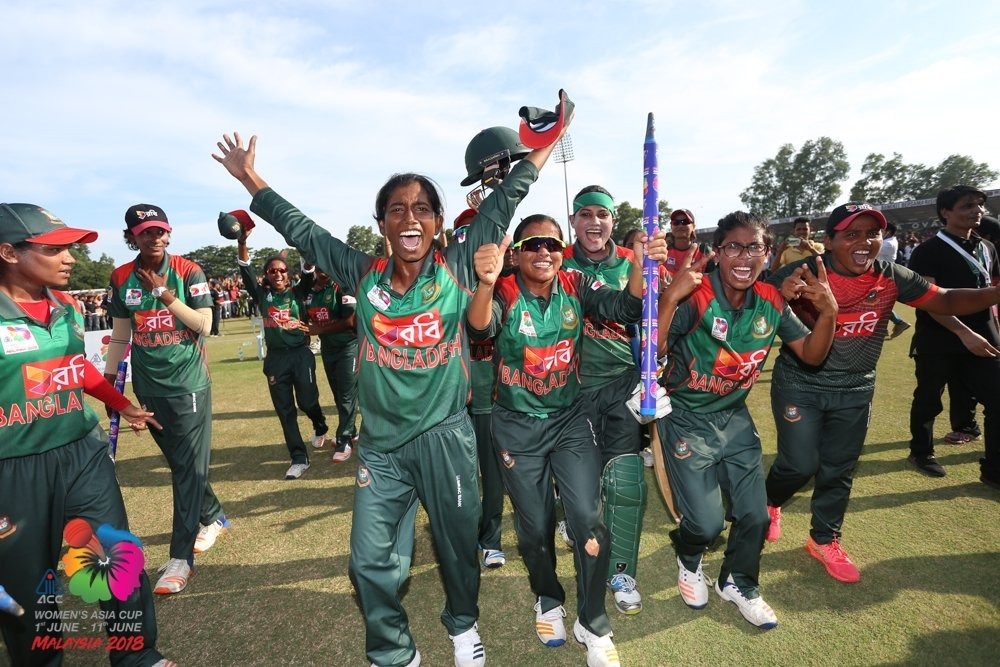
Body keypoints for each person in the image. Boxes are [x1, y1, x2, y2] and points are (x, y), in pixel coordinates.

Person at [213, 120, 568, 667]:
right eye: (397, 209)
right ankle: (393, 651)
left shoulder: (455, 264)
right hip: (380, 449)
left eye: (423, 208)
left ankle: (463, 625)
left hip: (445, 438)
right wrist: (250, 179)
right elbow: (302, 230)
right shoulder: (360, 272)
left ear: (438, 222)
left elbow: (507, 196)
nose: (410, 217)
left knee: (457, 549)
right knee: (369, 564)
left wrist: (544, 145)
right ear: (381, 223)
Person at [764, 201, 1000, 585]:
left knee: (840, 467)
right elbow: (752, 310)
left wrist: (993, 294)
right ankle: (770, 502)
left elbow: (943, 300)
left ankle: (824, 538)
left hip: (856, 386)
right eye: (852, 234)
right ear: (829, 240)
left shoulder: (890, 274)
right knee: (799, 464)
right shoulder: (800, 273)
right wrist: (781, 298)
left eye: (872, 233)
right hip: (800, 384)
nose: (864, 242)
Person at [468, 213, 666, 666]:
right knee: (535, 527)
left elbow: (626, 308)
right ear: (516, 254)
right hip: (517, 425)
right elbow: (480, 329)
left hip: (570, 420)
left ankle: (592, 621)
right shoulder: (503, 289)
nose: (544, 253)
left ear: (563, 251)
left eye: (552, 245)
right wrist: (484, 282)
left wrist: (639, 263)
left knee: (587, 518)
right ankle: (548, 597)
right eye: (533, 245)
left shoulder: (576, 283)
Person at [0, 202, 171, 666]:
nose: (70, 257)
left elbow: (77, 371)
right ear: (8, 253)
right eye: (54, 248)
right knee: (29, 585)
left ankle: (136, 655)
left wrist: (123, 405)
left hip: (82, 453)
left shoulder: (68, 305)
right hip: (12, 469)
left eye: (71, 247)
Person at [657, 211, 837, 630]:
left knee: (755, 515)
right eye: (733, 246)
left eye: (753, 246)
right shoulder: (695, 296)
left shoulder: (772, 301)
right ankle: (688, 556)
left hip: (734, 418)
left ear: (767, 252)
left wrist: (828, 313)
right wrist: (668, 300)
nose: (743, 255)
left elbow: (811, 355)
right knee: (704, 524)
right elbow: (652, 352)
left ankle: (738, 582)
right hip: (686, 417)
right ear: (717, 253)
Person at [106, 204, 230, 596]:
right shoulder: (121, 277)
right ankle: (214, 516)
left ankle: (180, 559)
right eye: (145, 232)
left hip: (189, 382)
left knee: (186, 468)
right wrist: (111, 385)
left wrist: (163, 294)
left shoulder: (188, 270)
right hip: (148, 384)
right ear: (132, 236)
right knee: (182, 464)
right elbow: (122, 336)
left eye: (159, 230)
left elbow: (204, 325)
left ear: (169, 233)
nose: (154, 237)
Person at [561, 185, 649, 615]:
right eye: (585, 215)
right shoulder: (555, 262)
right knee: (585, 489)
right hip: (572, 391)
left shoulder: (635, 262)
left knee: (626, 482)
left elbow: (650, 319)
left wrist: (653, 379)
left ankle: (621, 571)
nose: (594, 222)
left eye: (603, 214)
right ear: (573, 220)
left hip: (620, 385)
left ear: (614, 220)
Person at [906, 186, 1000, 487]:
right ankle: (921, 452)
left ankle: (994, 470)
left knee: (997, 399)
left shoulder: (988, 248)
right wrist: (964, 333)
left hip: (985, 335)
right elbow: (928, 301)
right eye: (967, 205)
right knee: (929, 398)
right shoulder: (927, 251)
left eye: (980, 205)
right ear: (945, 212)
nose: (977, 210)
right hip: (940, 338)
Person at [237, 228, 328, 479]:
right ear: (266, 275)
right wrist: (242, 241)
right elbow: (245, 267)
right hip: (276, 358)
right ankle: (299, 458)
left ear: (289, 274)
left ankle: (320, 424)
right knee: (285, 410)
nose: (278, 274)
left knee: (308, 402)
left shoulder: (297, 292)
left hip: (300, 354)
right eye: (272, 271)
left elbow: (308, 269)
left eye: (282, 270)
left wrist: (303, 244)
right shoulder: (262, 295)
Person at [304, 266, 359, 462]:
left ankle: (344, 440)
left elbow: (350, 321)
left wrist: (317, 329)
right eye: (319, 266)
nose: (323, 270)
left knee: (346, 394)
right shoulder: (309, 290)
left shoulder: (342, 286)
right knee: (338, 393)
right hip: (328, 349)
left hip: (348, 347)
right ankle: (351, 431)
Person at [878, 223, 912, 339]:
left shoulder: (888, 244)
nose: (879, 233)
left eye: (881, 231)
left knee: (877, 304)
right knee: (878, 304)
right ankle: (888, 327)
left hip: (883, 277)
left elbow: (870, 248)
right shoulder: (888, 242)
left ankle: (898, 323)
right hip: (880, 276)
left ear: (889, 232)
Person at [662, 208, 713, 282]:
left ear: (693, 227)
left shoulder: (704, 252)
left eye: (685, 222)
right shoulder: (663, 252)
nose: (680, 226)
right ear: (671, 226)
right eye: (676, 222)